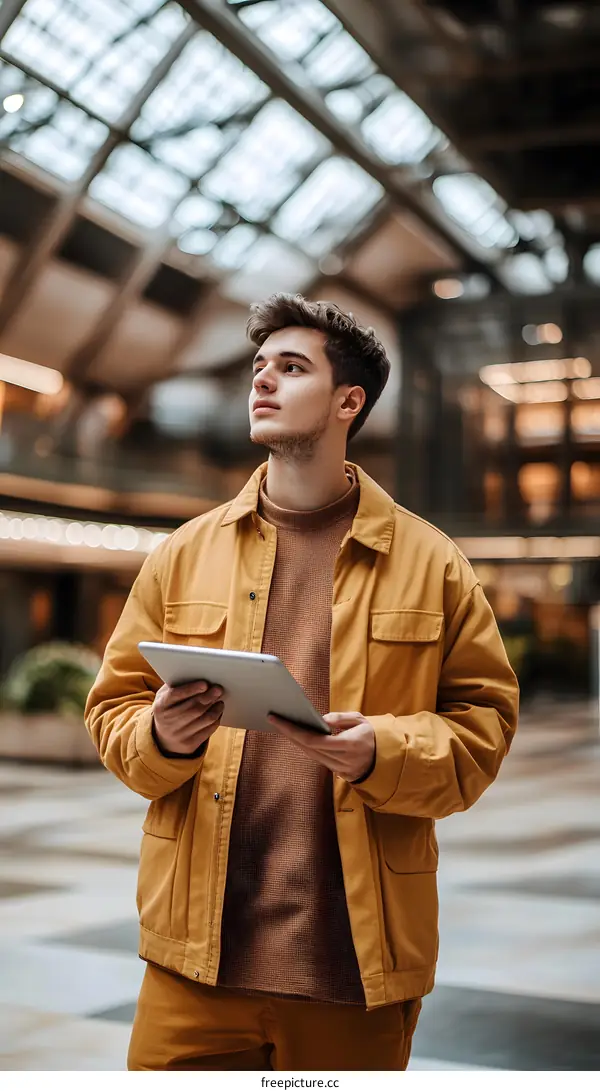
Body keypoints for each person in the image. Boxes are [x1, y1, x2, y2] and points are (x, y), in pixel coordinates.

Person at [85, 294, 519, 1072]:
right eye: (259, 367)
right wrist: (156, 735)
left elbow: (484, 727)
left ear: (349, 400)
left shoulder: (432, 561)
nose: (263, 381)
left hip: (351, 969)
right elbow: (111, 708)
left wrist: (383, 750)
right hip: (194, 963)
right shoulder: (182, 553)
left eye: (292, 368)